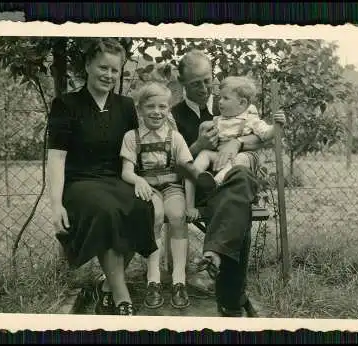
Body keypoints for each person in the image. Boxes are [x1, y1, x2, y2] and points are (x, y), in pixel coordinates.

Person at [46, 38, 157, 316]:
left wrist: (140, 180)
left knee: (144, 208)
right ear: (87, 65)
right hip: (80, 183)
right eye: (102, 68)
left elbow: (131, 153)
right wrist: (56, 204)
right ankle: (123, 299)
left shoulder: (126, 106)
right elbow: (57, 158)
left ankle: (108, 285)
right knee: (107, 212)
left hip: (116, 179)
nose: (108, 75)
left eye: (114, 70)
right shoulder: (65, 104)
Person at [171, 49, 286, 317]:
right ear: (181, 82)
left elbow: (259, 136)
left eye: (207, 80)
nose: (204, 88)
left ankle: (217, 265)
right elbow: (172, 163)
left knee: (240, 184)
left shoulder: (230, 100)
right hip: (198, 186)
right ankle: (233, 299)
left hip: (232, 178)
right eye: (195, 83)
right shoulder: (173, 116)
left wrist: (237, 142)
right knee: (238, 205)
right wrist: (198, 145)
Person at [119, 82, 214, 310]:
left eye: (162, 106)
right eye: (150, 106)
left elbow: (187, 171)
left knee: (177, 215)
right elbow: (126, 172)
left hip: (172, 187)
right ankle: (154, 280)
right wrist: (139, 180)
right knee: (155, 215)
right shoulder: (132, 137)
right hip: (148, 189)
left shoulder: (176, 137)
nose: (157, 111)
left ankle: (179, 280)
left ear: (168, 109)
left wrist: (193, 199)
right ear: (140, 109)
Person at [185, 76, 286, 215]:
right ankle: (198, 178)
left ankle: (217, 182)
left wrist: (277, 126)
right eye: (220, 98)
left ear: (242, 103)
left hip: (239, 158)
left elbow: (266, 134)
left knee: (241, 159)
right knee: (203, 155)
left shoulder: (250, 120)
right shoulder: (218, 120)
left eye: (225, 98)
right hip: (220, 156)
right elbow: (208, 139)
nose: (220, 102)